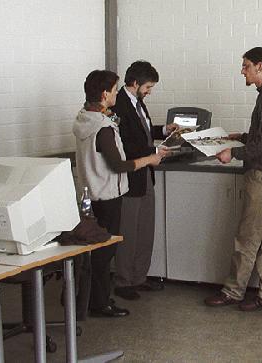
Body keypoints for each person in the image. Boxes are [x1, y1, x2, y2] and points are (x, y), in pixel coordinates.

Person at [73, 70, 167, 317]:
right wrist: (149, 159)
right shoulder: (103, 127)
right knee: (105, 252)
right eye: (114, 90)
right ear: (105, 94)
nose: (116, 94)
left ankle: (93, 299)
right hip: (107, 195)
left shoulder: (85, 118)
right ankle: (101, 303)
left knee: (97, 253)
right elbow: (119, 165)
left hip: (91, 192)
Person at [204, 47, 262, 311]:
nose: (242, 70)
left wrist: (233, 152)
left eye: (245, 66)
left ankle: (233, 291)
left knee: (247, 238)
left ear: (259, 67)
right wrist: (241, 136)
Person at [112, 61, 178, 301]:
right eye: (148, 86)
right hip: (131, 176)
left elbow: (144, 131)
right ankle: (123, 280)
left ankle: (139, 276)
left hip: (146, 174)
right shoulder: (118, 106)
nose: (150, 91)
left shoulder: (138, 103)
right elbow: (125, 144)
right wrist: (153, 153)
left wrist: (163, 130)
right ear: (135, 83)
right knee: (129, 230)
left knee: (145, 228)